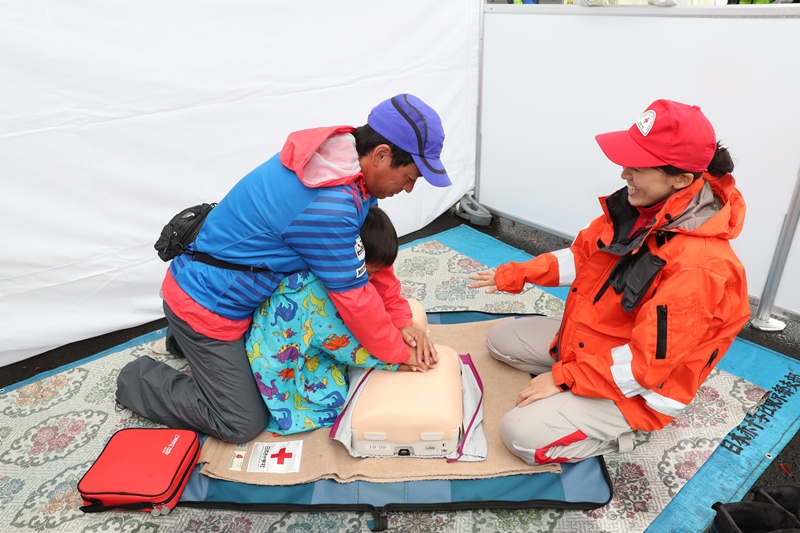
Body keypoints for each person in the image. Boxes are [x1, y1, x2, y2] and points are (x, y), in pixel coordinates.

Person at [117, 94, 449, 442]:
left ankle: (186, 345)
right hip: (207, 307)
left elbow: (369, 256)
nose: (409, 188)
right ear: (381, 155)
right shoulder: (330, 205)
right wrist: (399, 353)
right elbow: (355, 297)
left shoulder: (343, 161)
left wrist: (400, 320)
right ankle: (139, 378)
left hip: (227, 286)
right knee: (242, 422)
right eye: (409, 177)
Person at [468, 99, 750, 464]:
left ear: (681, 179)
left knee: (519, 435)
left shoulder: (701, 267)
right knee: (500, 341)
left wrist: (564, 379)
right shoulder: (643, 208)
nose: (623, 174)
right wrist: (516, 274)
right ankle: (579, 387)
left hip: (643, 388)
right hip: (606, 343)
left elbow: (646, 364)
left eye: (637, 167)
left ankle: (623, 433)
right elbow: (583, 258)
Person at [248, 207, 429, 435]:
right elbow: (347, 342)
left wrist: (401, 324)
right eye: (369, 273)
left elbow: (379, 297)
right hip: (279, 367)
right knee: (336, 401)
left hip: (298, 344)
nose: (372, 280)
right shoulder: (317, 293)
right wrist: (399, 360)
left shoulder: (328, 267)